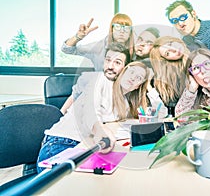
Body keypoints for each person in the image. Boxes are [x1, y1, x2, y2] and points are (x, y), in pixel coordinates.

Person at [37, 61, 166, 173]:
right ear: (123, 71)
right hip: (62, 143)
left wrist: (149, 87)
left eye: (139, 78)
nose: (133, 78)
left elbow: (162, 114)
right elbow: (90, 110)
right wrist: (99, 129)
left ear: (138, 86)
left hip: (89, 146)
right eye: (131, 72)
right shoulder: (103, 82)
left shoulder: (125, 103)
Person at [60, 43, 131, 115]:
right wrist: (60, 116)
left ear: (125, 67)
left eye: (117, 63)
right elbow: (74, 98)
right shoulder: (88, 78)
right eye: (108, 60)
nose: (110, 66)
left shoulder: (127, 86)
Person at [61, 13, 134, 71]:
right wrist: (77, 37)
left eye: (126, 28)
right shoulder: (99, 47)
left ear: (130, 32)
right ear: (112, 29)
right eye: (118, 27)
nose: (122, 31)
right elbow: (67, 49)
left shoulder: (136, 50)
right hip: (102, 87)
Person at [149, 36, 190, 116]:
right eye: (167, 53)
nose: (174, 50)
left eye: (170, 44)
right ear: (166, 60)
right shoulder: (173, 77)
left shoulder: (198, 55)